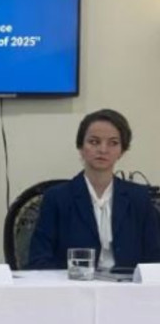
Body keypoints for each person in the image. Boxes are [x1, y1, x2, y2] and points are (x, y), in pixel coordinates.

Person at [28, 109, 160, 270]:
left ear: (122, 151)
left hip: (128, 284)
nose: (103, 150)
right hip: (74, 283)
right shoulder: (57, 198)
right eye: (94, 142)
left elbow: (155, 258)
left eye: (113, 143)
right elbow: (38, 259)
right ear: (81, 147)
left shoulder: (139, 198)